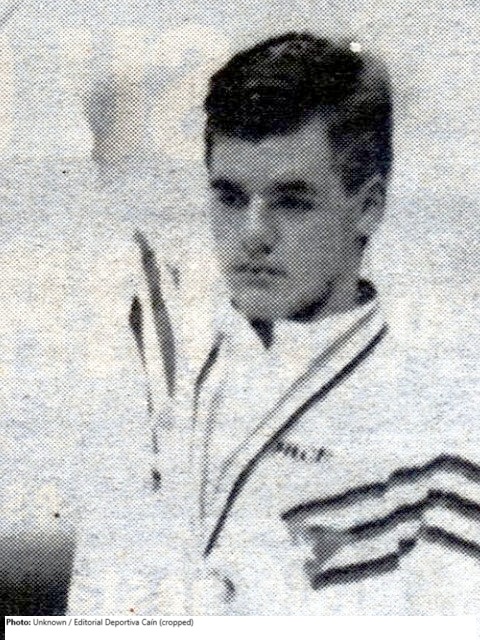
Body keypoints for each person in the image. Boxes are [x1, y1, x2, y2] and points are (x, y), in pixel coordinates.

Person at [68, 32, 480, 616]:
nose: (253, 234)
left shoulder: (443, 432)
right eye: (230, 197)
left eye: (291, 201)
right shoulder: (162, 370)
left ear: (368, 206)